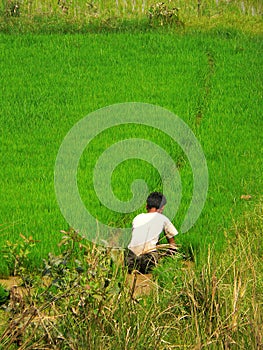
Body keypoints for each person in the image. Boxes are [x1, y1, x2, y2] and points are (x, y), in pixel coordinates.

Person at [125, 192, 178, 274]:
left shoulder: (137, 218)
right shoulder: (163, 218)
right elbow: (173, 245)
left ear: (146, 206)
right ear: (161, 208)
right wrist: (173, 258)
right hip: (148, 261)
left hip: (130, 260)